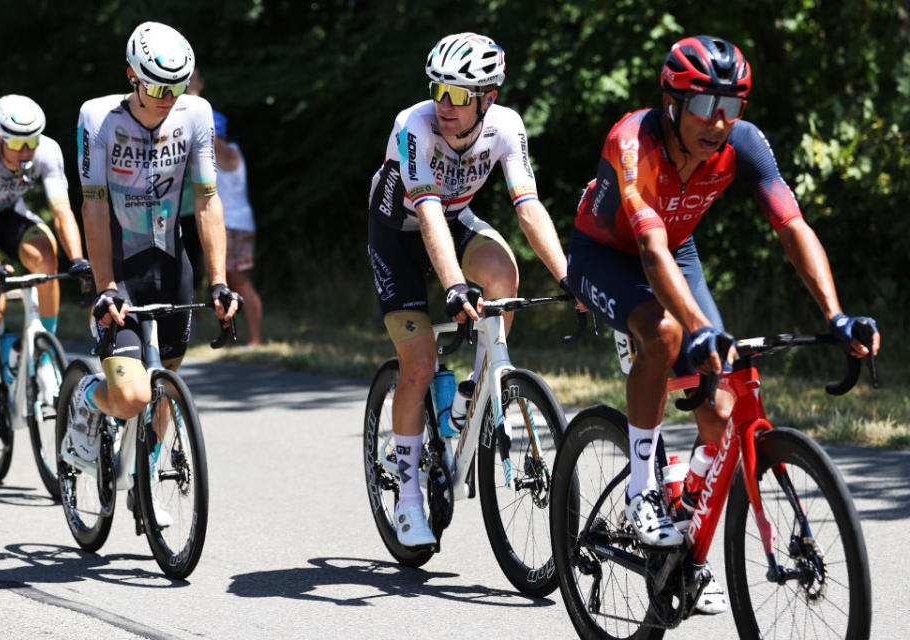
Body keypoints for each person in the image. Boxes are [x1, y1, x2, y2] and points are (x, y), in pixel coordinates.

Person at [567, 35, 881, 613]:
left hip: (677, 251)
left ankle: (685, 524)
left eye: (732, 106)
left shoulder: (743, 144)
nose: (718, 121)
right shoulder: (632, 142)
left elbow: (792, 225)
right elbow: (650, 249)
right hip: (607, 253)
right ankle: (641, 491)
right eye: (705, 105)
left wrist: (834, 315)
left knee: (721, 411)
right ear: (671, 103)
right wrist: (693, 324)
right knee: (665, 334)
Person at [367, 33, 578, 548]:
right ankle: (410, 499)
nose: (444, 104)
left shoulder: (506, 127)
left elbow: (527, 207)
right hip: (399, 233)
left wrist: (571, 279)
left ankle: (478, 393)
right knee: (417, 366)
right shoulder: (412, 125)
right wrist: (456, 286)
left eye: (459, 95)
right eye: (439, 89)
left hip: (456, 221)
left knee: (504, 276)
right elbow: (428, 209)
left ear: (489, 98)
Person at [73, 22, 239, 484]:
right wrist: (106, 286)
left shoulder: (196, 114)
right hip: (121, 268)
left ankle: (146, 473)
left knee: (163, 388)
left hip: (171, 264)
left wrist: (219, 281)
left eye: (177, 85)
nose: (168, 96)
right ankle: (87, 398)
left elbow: (207, 200)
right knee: (131, 397)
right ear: (131, 75)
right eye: (157, 85)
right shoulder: (98, 118)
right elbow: (94, 205)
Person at [0, 95, 88, 453]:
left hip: (10, 214)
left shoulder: (47, 151)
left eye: (33, 141)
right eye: (17, 143)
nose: (27, 151)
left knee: (47, 258)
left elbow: (62, 211)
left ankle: (45, 357)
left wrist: (78, 259)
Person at [213, 111, 264, 346]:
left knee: (239, 281)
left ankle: (255, 339)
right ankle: (234, 337)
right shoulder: (229, 149)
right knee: (230, 283)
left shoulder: (222, 149)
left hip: (233, 224)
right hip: (234, 224)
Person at [178, 69, 206, 296]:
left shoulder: (202, 113)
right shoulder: (171, 111)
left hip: (195, 207)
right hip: (175, 207)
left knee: (191, 265)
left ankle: (190, 323)